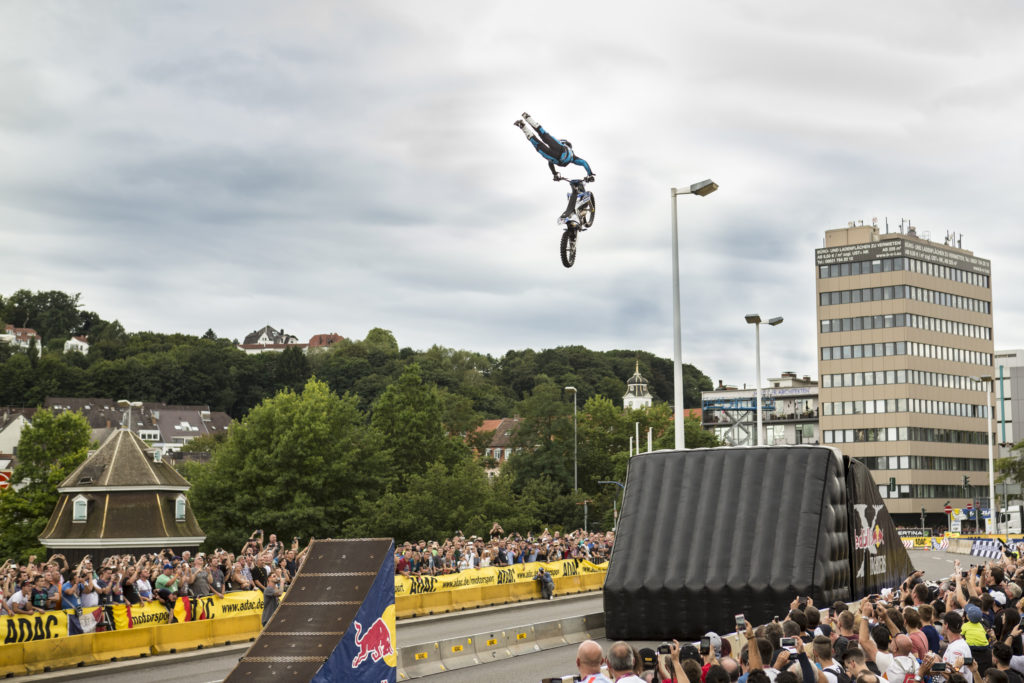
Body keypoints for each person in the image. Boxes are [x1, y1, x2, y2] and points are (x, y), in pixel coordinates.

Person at [514, 113, 595, 181]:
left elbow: (551, 164)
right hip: (558, 155)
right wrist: (590, 174)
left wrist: (555, 174)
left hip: (558, 151)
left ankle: (526, 119)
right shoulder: (573, 157)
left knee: (543, 135)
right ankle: (523, 124)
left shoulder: (571, 155)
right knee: (538, 142)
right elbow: (583, 163)